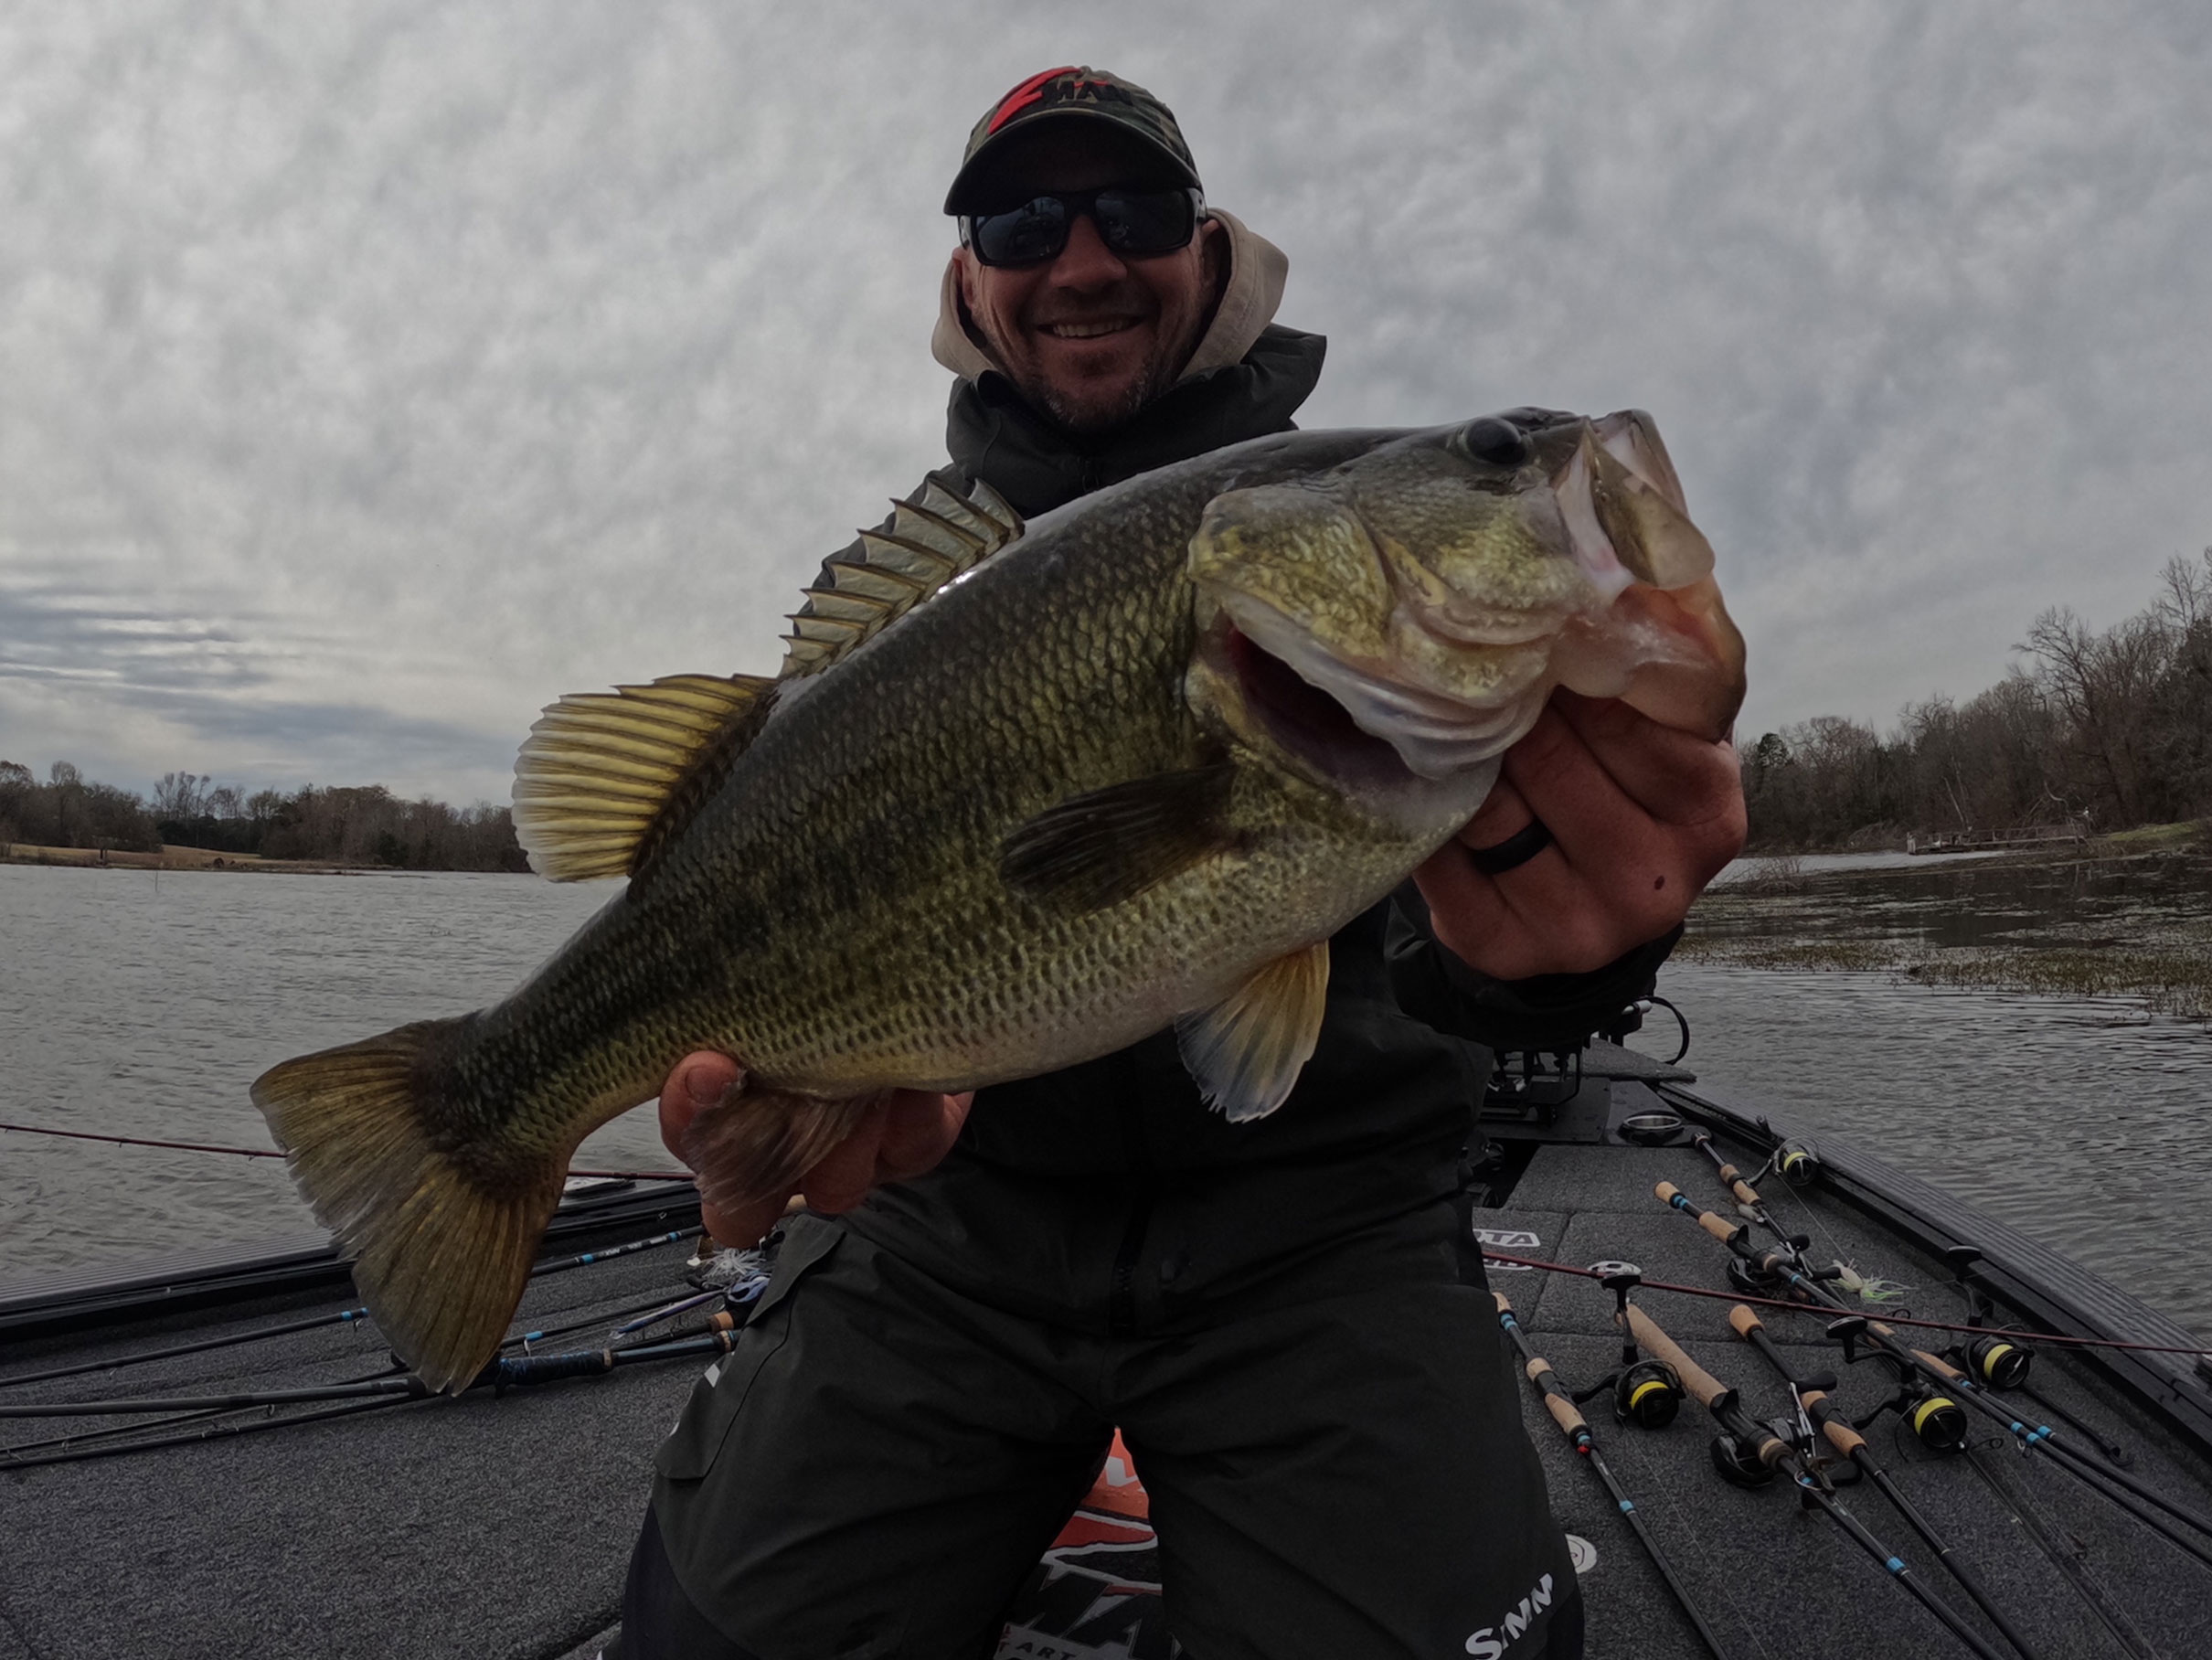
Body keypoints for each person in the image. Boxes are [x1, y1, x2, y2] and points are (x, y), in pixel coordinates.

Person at [619, 67, 1745, 1660]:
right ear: (969, 285)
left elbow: (1450, 946)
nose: (1082, 257)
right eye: (1019, 218)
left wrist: (1565, 957)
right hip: (945, 1234)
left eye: (1135, 211)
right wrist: (787, 1098)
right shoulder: (914, 619)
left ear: (1214, 256)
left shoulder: (1346, 580)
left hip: (1327, 1230)